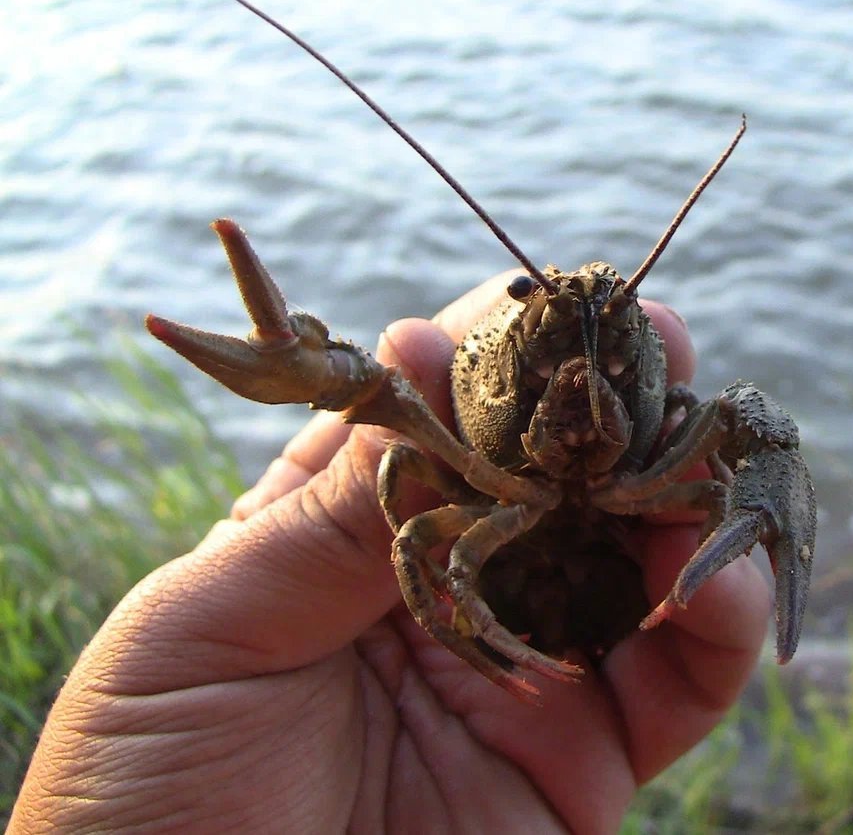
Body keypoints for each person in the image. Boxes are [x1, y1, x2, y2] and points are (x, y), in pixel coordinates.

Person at [9, 274, 770, 833]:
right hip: (502, 535)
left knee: (740, 452)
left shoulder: (665, 404)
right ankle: (495, 647)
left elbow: (737, 439)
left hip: (606, 572)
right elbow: (401, 482)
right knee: (408, 513)